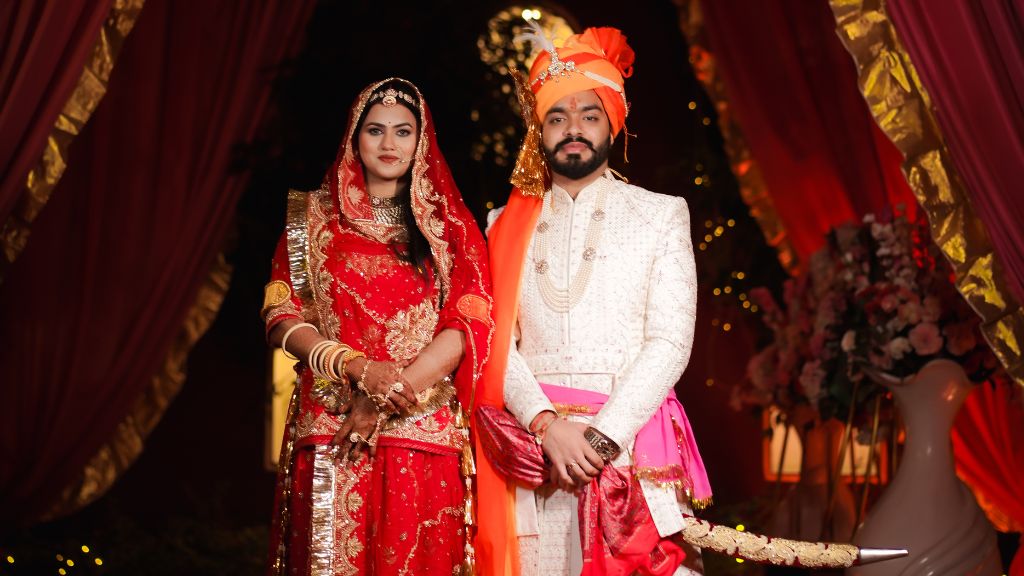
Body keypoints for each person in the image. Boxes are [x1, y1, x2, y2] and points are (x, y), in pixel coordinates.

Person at [475, 26, 711, 576]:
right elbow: (493, 338)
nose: (573, 128)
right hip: (537, 458)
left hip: (630, 450)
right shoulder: (502, 226)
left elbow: (671, 340)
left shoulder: (660, 214)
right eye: (557, 116)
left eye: (588, 114)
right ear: (539, 132)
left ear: (612, 122)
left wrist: (602, 439)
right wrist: (544, 424)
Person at [261, 78, 493, 576]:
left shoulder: (451, 228)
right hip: (332, 430)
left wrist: (391, 391)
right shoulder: (311, 218)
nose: (389, 145)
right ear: (353, 136)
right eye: (376, 130)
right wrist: (357, 368)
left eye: (403, 132)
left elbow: (468, 322)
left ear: (421, 140)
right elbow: (281, 315)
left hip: (421, 432)